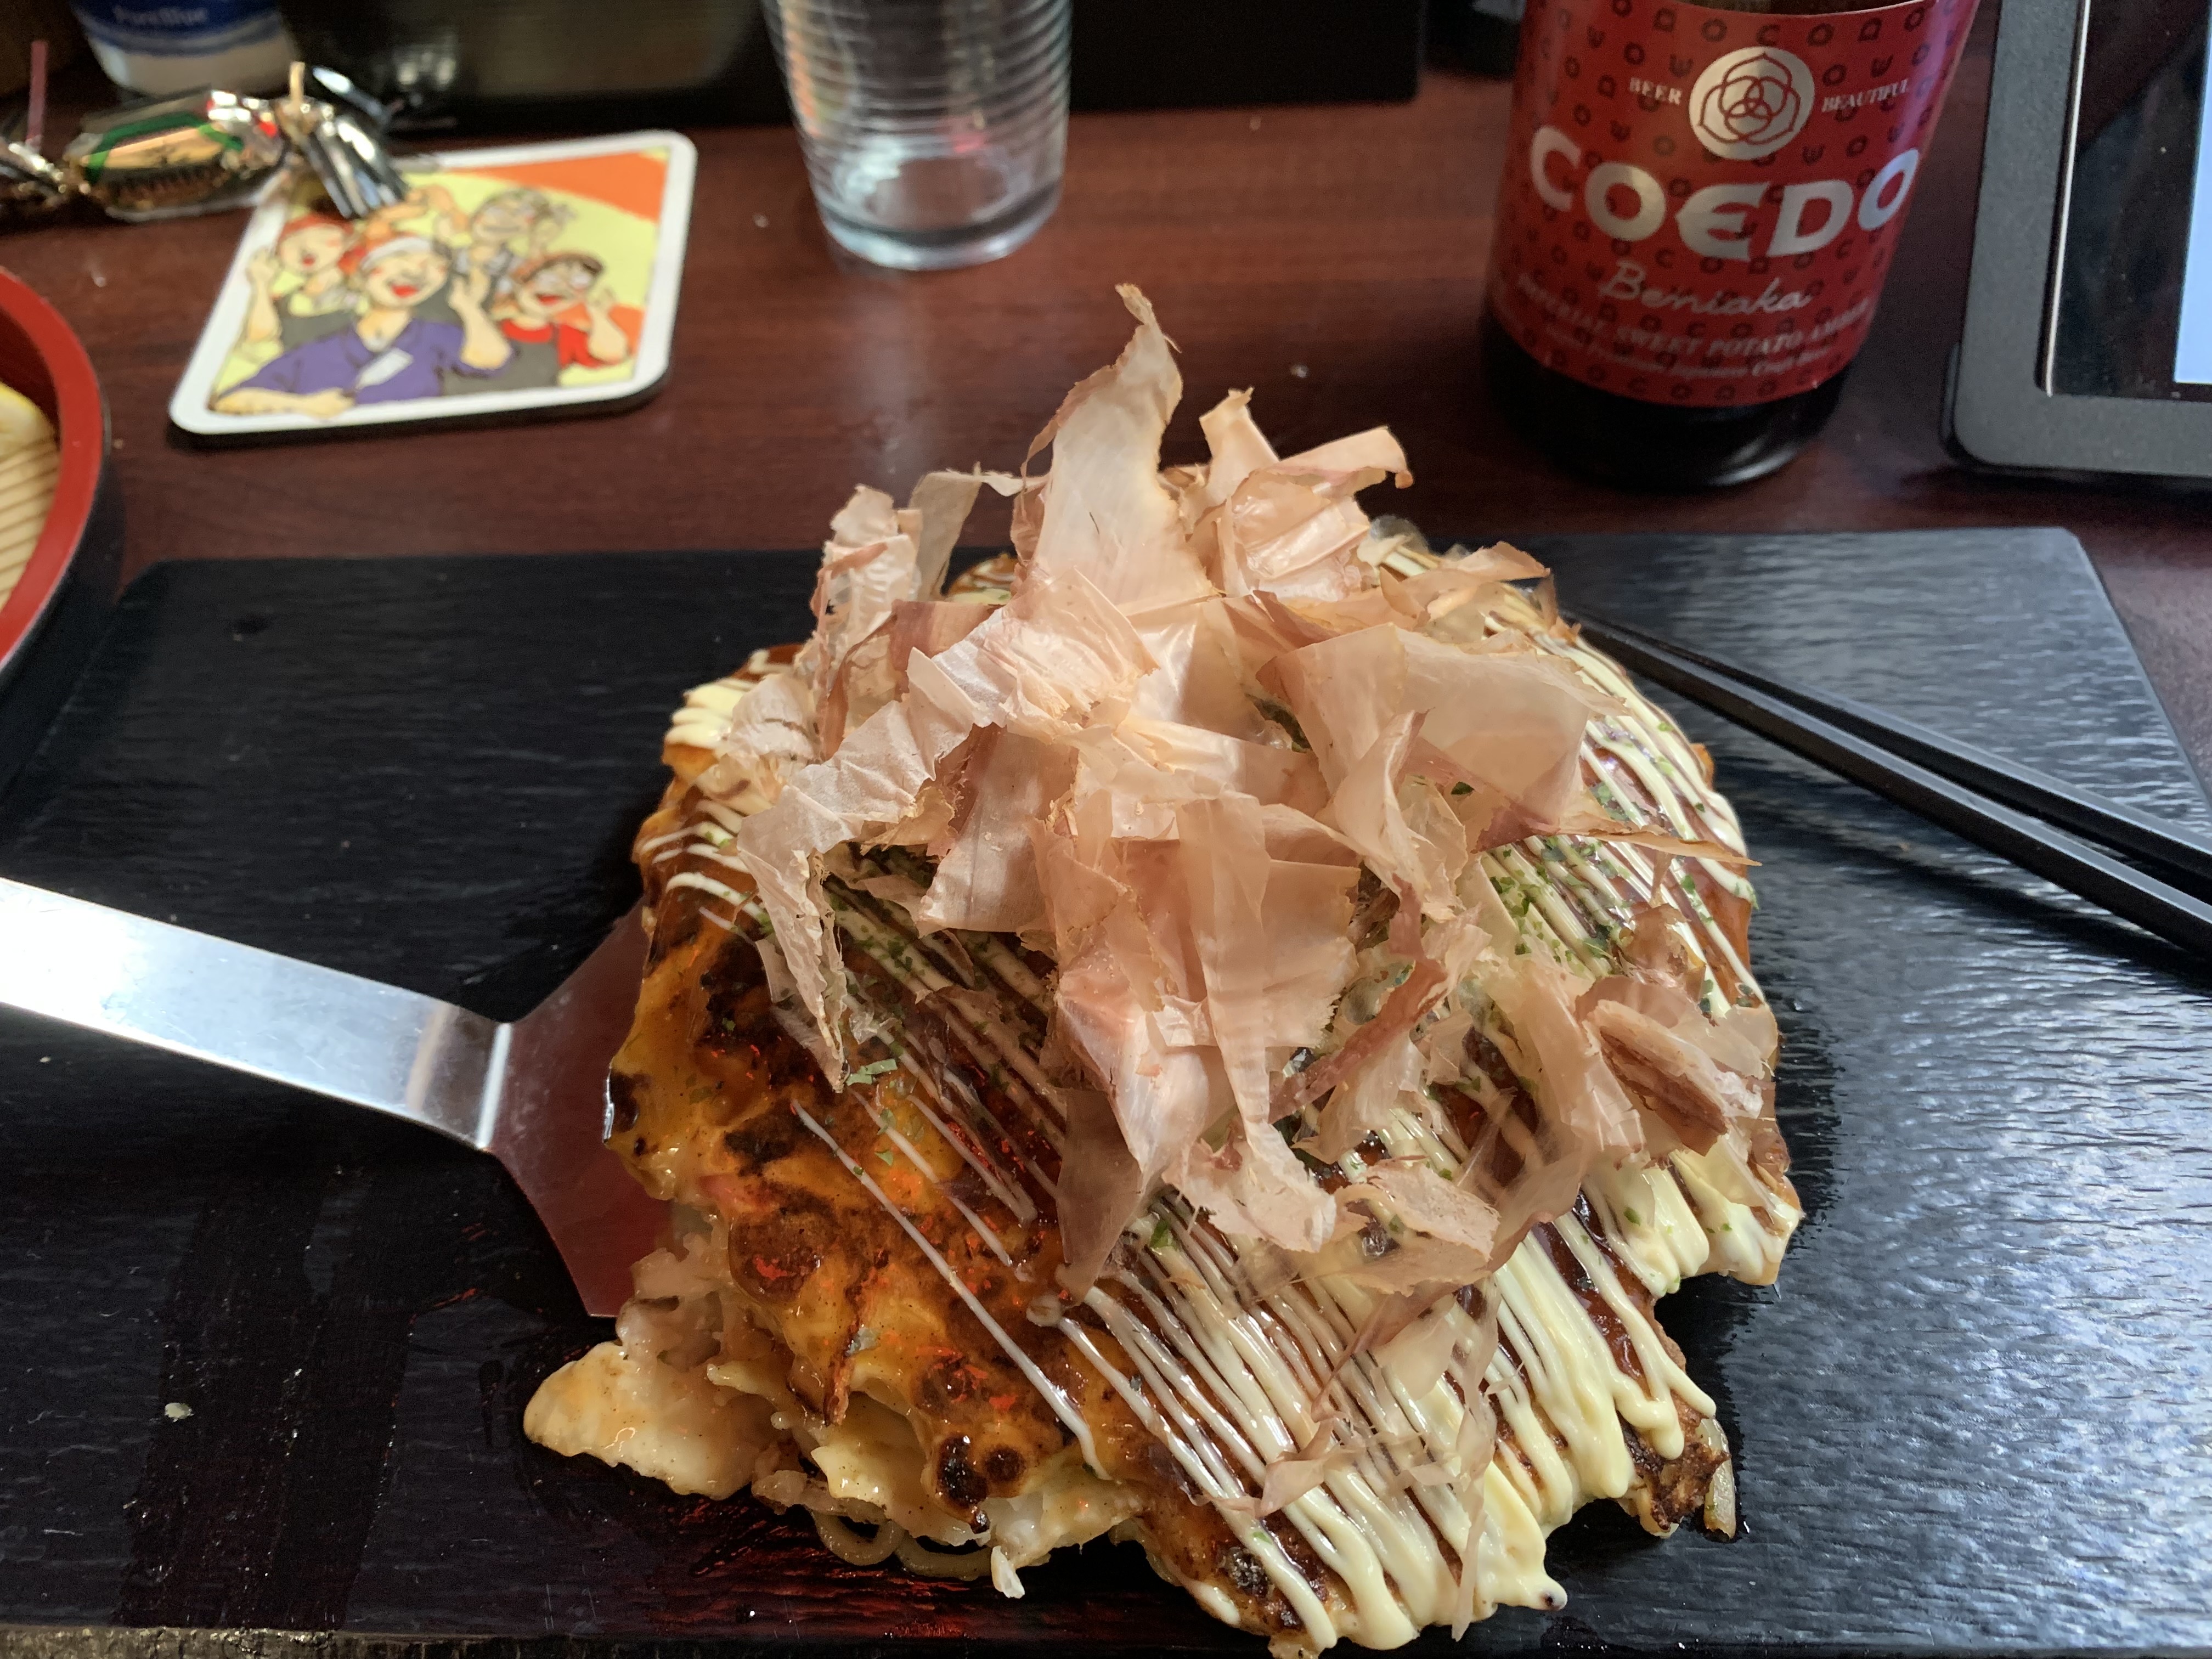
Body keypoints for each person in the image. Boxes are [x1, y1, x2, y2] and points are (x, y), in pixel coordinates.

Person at [213, 235, 511, 419]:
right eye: (401, 258)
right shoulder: (318, 349)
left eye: (431, 265)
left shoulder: (436, 336)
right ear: (361, 276)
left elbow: (491, 360)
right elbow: (231, 401)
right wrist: (303, 406)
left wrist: (469, 308)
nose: (415, 272)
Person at [457, 250, 634, 393]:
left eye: (578, 282)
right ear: (521, 283)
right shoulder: (485, 326)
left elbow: (614, 354)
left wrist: (597, 314)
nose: (561, 287)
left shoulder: (565, 335)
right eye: (550, 278)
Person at [418, 188, 571, 325]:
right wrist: (440, 246)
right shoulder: (443, 253)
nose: (499, 220)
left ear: (526, 230)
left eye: (515, 216)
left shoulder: (518, 269)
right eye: (496, 210)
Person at [237, 211, 356, 357]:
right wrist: (261, 284)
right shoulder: (281, 296)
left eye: (322, 239)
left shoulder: (352, 292)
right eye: (294, 238)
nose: (308, 248)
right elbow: (259, 337)